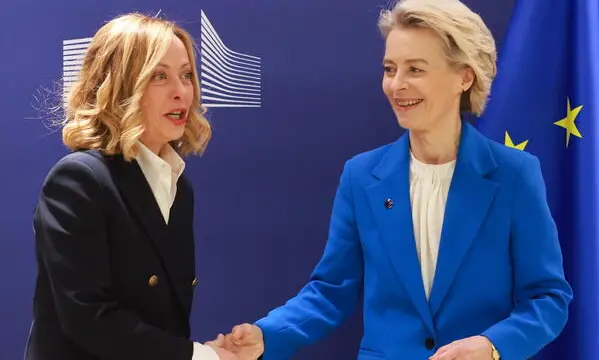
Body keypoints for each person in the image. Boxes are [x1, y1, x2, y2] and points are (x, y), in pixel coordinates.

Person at [214, 0, 573, 359]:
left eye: (415, 69)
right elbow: (332, 290)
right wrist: (267, 335)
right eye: (390, 69)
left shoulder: (515, 175)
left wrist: (493, 346)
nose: (396, 85)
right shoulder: (361, 176)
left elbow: (547, 298)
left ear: (464, 76)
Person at [25, 13, 233, 360]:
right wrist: (200, 357)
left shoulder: (180, 189)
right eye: (159, 76)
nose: (181, 92)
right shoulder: (79, 179)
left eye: (186, 75)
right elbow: (88, 318)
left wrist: (201, 353)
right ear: (121, 86)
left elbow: (163, 323)